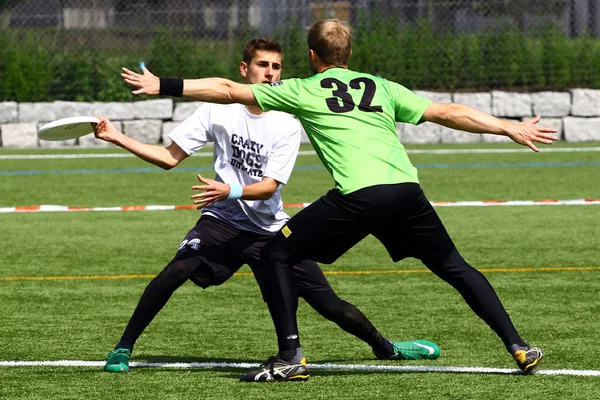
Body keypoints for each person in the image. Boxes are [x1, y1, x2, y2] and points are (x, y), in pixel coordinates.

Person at [121, 21, 556, 382]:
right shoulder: (381, 86)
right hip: (406, 191)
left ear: (313, 57)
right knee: (455, 268)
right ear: (349, 55)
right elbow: (446, 111)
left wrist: (164, 84)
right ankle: (518, 346)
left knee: (275, 252)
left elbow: (227, 89)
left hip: (359, 196)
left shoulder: (304, 89)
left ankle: (290, 357)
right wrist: (508, 127)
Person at [98, 37, 440, 374]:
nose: (271, 73)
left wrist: (228, 189)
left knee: (329, 304)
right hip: (223, 221)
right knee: (178, 269)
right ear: (244, 70)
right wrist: (117, 137)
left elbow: (268, 188)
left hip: (271, 230)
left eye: (277, 67)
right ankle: (123, 348)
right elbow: (167, 158)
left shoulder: (287, 122)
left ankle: (387, 348)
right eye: (263, 65)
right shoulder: (216, 110)